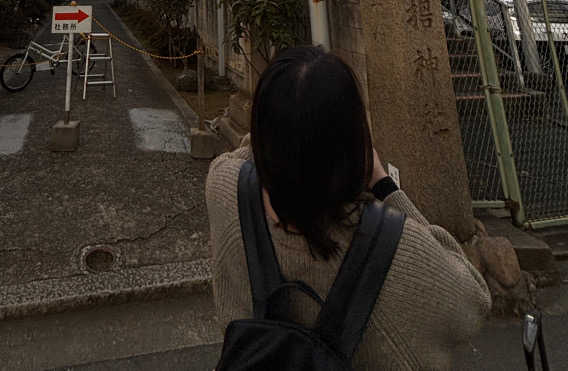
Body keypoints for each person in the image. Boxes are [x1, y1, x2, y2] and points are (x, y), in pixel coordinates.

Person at [206, 46, 491, 369]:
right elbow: (474, 303)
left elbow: (247, 151)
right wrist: (384, 184)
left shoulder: (225, 187)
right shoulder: (402, 249)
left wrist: (286, 120)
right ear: (354, 139)